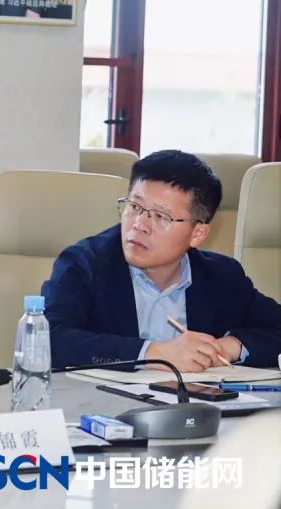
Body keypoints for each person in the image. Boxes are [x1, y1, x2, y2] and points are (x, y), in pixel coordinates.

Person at [41, 150, 281, 372]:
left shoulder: (222, 277)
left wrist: (228, 347)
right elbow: (48, 339)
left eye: (161, 216)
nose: (139, 225)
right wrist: (152, 353)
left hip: (194, 403)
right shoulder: (84, 264)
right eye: (135, 206)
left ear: (197, 233)